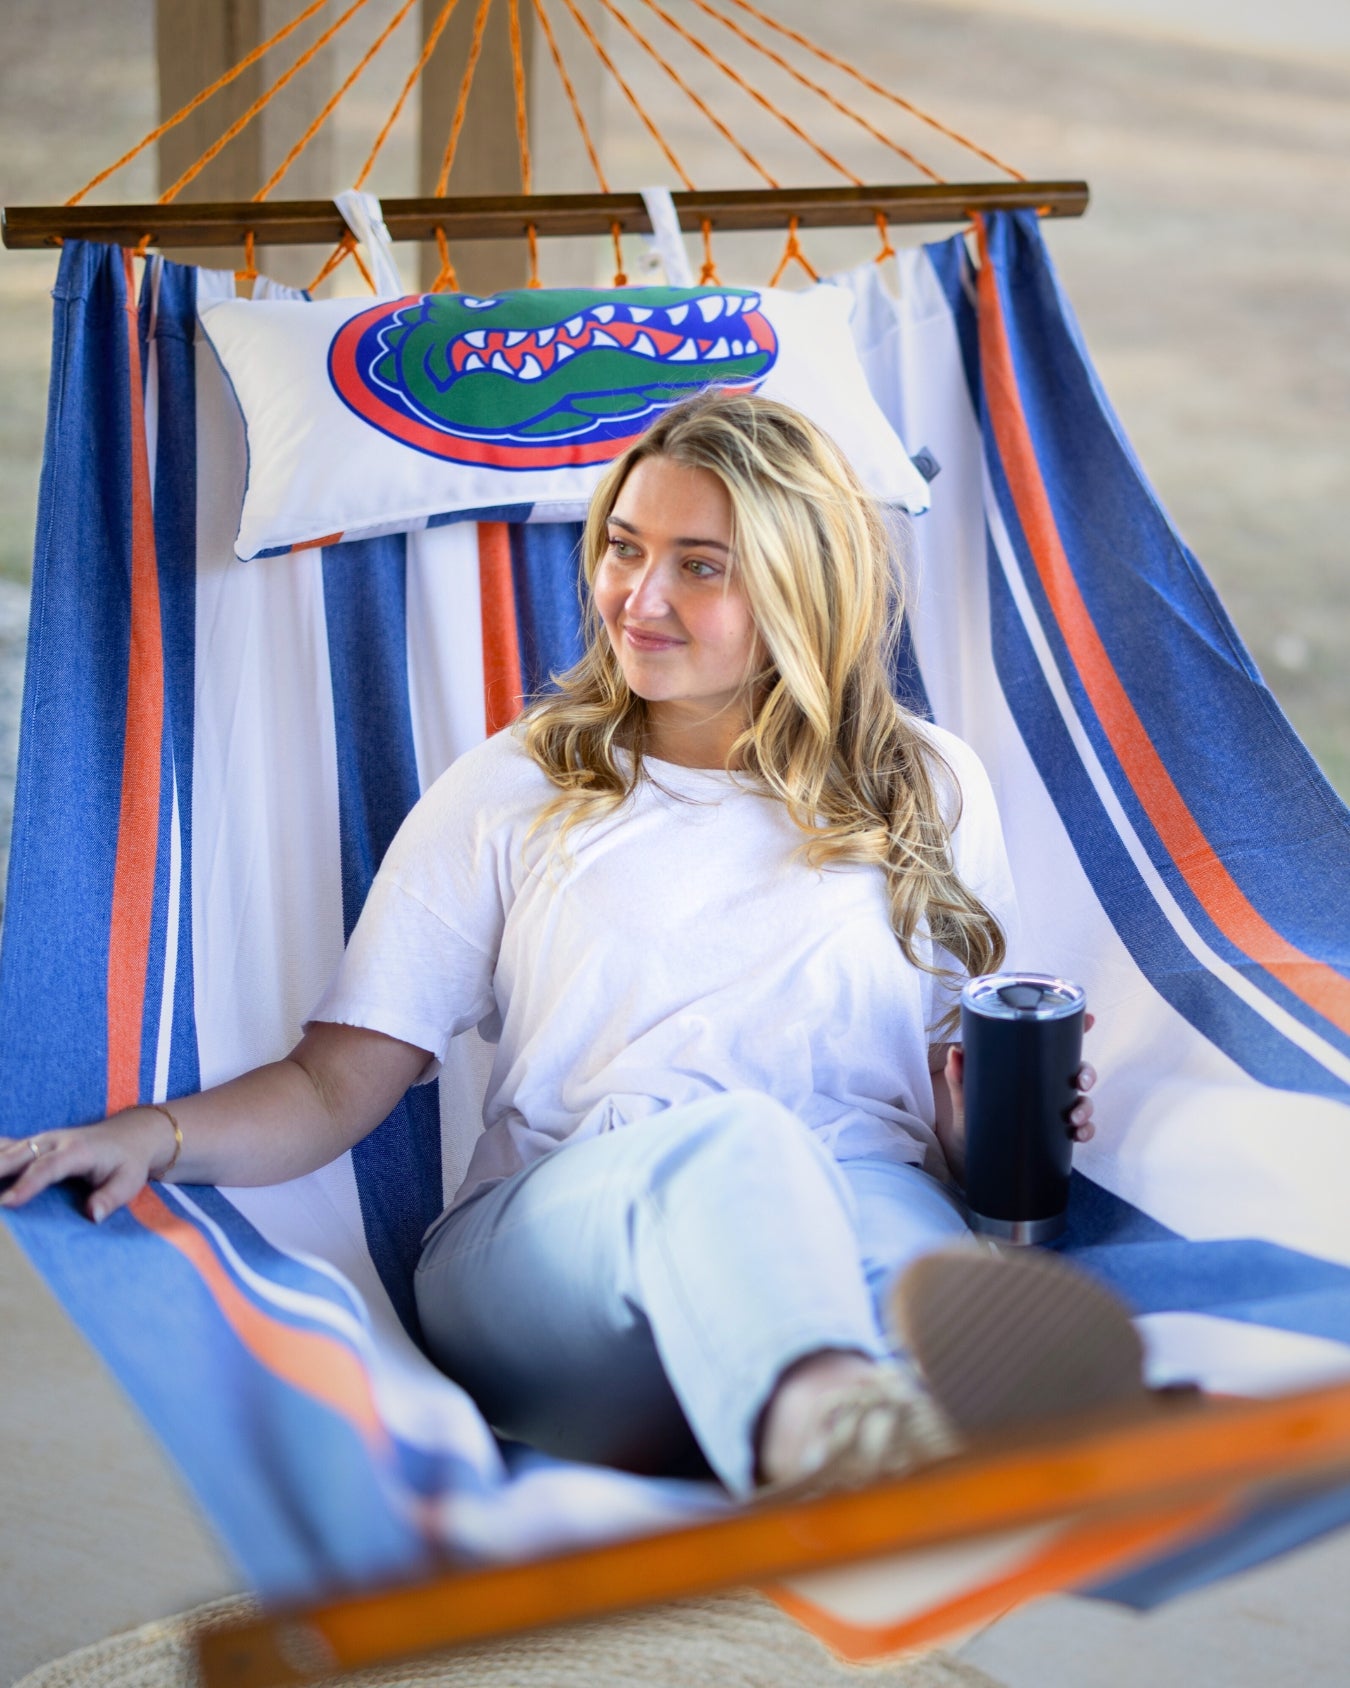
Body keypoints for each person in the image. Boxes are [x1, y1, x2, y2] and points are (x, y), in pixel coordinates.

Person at [0, 391, 1105, 1499]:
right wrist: (154, 1136)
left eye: (700, 566)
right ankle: (846, 1449)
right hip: (559, 1257)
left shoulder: (926, 785)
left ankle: (886, 1437)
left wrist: (982, 1130)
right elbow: (334, 1084)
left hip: (849, 1203)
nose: (639, 597)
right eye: (624, 547)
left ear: (802, 588)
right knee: (738, 1146)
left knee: (925, 1277)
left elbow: (952, 1118)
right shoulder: (523, 788)